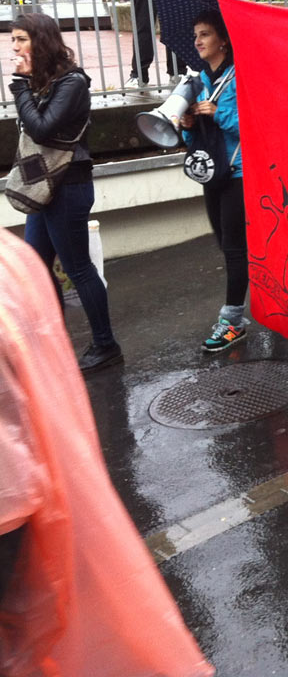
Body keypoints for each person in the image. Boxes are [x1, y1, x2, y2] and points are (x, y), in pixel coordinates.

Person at [0, 230, 214, 677]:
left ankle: (105, 340)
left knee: (78, 267)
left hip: (14, 492)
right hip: (23, 490)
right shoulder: (13, 258)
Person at [8, 13, 122, 373]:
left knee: (78, 267)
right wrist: (27, 86)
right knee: (39, 266)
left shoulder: (71, 82)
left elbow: (41, 130)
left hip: (68, 186)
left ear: (41, 41)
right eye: (13, 39)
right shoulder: (45, 81)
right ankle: (54, 341)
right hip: (43, 185)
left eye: (21, 39)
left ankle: (106, 345)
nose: (14, 47)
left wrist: (19, 87)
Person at [178, 9, 250, 351]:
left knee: (235, 249)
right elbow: (200, 140)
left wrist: (216, 111)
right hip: (213, 172)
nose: (198, 41)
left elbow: (251, 125)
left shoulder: (240, 76)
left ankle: (233, 320)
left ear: (223, 39)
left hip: (239, 173)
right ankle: (257, 295)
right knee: (226, 244)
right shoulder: (199, 80)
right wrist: (190, 127)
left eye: (205, 34)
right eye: (196, 35)